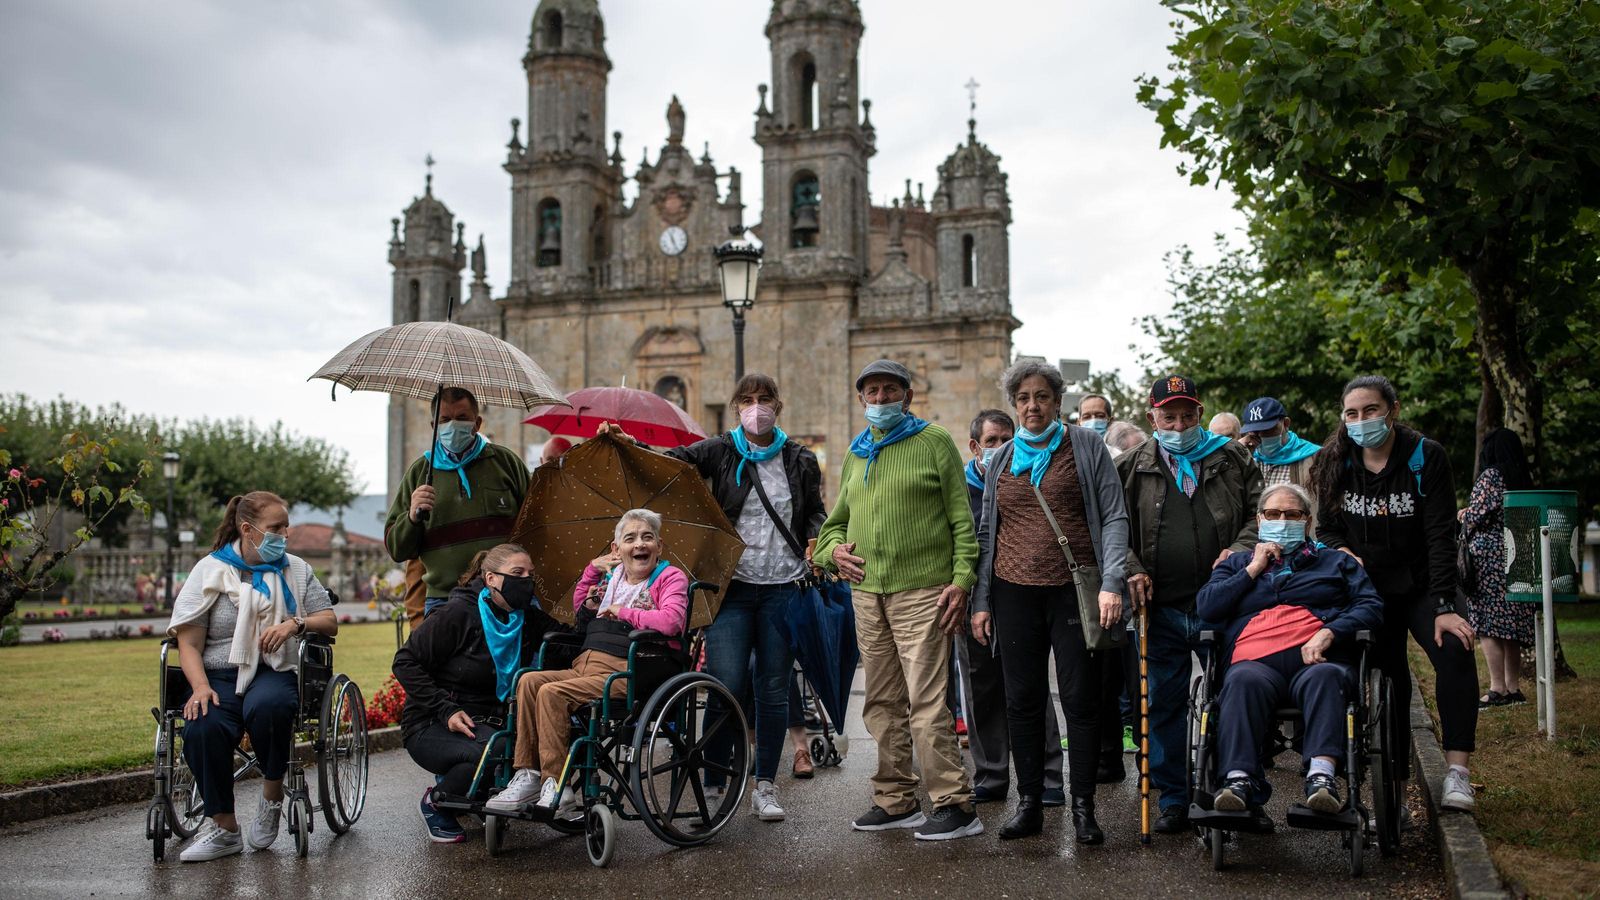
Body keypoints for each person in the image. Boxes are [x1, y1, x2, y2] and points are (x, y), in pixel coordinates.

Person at [814, 359, 982, 841]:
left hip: (924, 591)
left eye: (891, 390)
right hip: (868, 593)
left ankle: (954, 804)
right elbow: (834, 525)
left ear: (907, 397)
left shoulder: (934, 441)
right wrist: (832, 553)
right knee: (882, 702)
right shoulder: (857, 452)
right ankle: (896, 799)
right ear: (861, 399)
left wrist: (962, 580)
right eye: (872, 391)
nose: (881, 398)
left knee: (927, 702)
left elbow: (962, 521)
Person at [969, 361, 1130, 844]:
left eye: (1041, 396)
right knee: (1022, 701)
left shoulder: (1084, 446)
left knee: (1080, 699)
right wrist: (981, 600)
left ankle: (1083, 808)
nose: (1032, 405)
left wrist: (1113, 582)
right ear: (1014, 404)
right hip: (1012, 592)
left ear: (1057, 401)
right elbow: (987, 533)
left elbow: (1114, 516)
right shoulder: (1002, 457)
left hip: (1073, 591)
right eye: (1023, 398)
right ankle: (1030, 804)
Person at [1311, 374, 1479, 812]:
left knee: (1456, 649)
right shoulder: (1335, 461)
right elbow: (1326, 529)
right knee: (1390, 683)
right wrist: (1343, 551)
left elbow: (1441, 534)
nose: (1361, 420)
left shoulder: (1425, 456)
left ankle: (1458, 773)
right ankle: (1396, 794)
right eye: (1352, 413)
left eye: (1370, 410)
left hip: (1424, 584)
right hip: (1369, 592)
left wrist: (1444, 605)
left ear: (1392, 410)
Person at [663, 373, 827, 822]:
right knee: (726, 683)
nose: (757, 407)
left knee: (773, 689)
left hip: (783, 587)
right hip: (731, 587)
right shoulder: (719, 451)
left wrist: (818, 538)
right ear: (736, 407)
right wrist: (625, 444)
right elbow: (671, 463)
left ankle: (765, 785)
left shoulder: (800, 459)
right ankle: (715, 782)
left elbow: (814, 511)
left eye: (765, 398)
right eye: (748, 399)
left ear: (779, 405)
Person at [1118, 374, 1262, 834]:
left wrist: (1239, 549)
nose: (1178, 426)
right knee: (1163, 703)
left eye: (1186, 416)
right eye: (1169, 417)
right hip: (1159, 605)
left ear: (1200, 413)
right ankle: (1174, 798)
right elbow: (1112, 527)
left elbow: (1261, 515)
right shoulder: (1130, 466)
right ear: (1152, 418)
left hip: (1226, 601)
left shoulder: (1233, 457)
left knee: (1235, 698)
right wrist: (1131, 567)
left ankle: (1243, 790)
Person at [166, 491, 338, 862]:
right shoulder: (209, 570)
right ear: (248, 530)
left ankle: (272, 796)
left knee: (272, 706)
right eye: (276, 528)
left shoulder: (296, 569)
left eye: (286, 526)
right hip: (218, 675)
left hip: (273, 669)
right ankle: (225, 828)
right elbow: (188, 644)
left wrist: (295, 623)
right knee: (202, 725)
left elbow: (329, 620)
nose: (285, 534)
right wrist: (200, 687)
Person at [485, 509, 689, 816]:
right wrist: (593, 574)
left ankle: (558, 784)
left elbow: (672, 621)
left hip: (630, 670)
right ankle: (529, 774)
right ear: (616, 549)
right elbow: (580, 606)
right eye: (630, 538)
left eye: (647, 537)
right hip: (586, 664)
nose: (639, 544)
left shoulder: (670, 577)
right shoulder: (612, 578)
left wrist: (623, 611)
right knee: (529, 681)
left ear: (659, 546)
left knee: (552, 693)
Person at [1197, 483, 1384, 814]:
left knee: (1326, 678)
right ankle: (1239, 781)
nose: (1282, 521)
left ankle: (1322, 778)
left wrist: (1330, 631)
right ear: (1259, 520)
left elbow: (1371, 606)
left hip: (1317, 660)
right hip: (1253, 664)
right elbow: (1207, 608)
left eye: (1292, 514)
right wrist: (1253, 570)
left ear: (1307, 521)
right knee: (1241, 681)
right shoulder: (1236, 563)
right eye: (1273, 514)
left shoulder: (1336, 563)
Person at [391, 543, 559, 842]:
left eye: (530, 574)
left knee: (532, 747)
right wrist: (445, 709)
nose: (526, 581)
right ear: (491, 578)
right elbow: (405, 662)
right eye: (517, 573)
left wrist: (592, 606)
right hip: (433, 722)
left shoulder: (526, 617)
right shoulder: (458, 613)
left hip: (492, 722)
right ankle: (437, 803)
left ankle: (479, 795)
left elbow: (566, 642)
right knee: (498, 750)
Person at [959, 408, 1066, 807]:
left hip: (1020, 596)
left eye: (1008, 439)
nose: (1001, 447)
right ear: (976, 447)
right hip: (972, 598)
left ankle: (1048, 777)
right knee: (980, 687)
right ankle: (991, 775)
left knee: (1030, 686)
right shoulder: (959, 488)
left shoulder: (1026, 477)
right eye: (992, 441)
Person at [384, 387, 531, 617]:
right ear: (434, 426)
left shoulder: (505, 463)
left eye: (462, 418)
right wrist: (412, 517)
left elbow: (535, 522)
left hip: (505, 596)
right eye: (445, 420)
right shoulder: (419, 473)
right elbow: (397, 549)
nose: (453, 425)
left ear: (477, 423)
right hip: (444, 599)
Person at [1461, 428, 1534, 707]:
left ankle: (1496, 688)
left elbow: (1477, 515)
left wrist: (1464, 514)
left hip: (1489, 559)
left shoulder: (1491, 476)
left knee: (1487, 624)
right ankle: (1513, 689)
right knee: (1511, 624)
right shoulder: (1522, 478)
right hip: (1516, 555)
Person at [1238, 397, 1320, 510]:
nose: (1261, 436)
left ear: (1286, 424)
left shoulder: (1315, 458)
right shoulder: (1249, 458)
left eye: (1267, 430)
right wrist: (1237, 453)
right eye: (1255, 432)